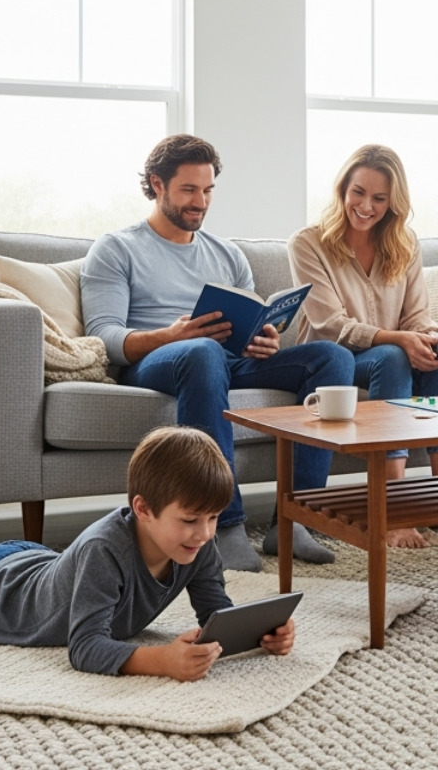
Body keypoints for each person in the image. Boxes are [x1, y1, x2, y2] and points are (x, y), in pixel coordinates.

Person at [0, 404, 296, 681]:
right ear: (143, 508)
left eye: (214, 518)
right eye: (192, 519)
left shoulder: (198, 545)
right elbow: (85, 648)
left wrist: (259, 634)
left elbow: (215, 613)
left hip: (32, 567)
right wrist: (162, 661)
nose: (206, 533)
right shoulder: (105, 551)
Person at [81, 134, 354, 570]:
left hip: (222, 360)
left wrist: (264, 341)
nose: (201, 202)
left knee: (334, 358)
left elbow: (246, 324)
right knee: (203, 351)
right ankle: (224, 526)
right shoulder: (116, 248)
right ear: (157, 185)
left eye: (208, 190)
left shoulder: (227, 255)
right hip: (158, 361)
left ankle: (294, 519)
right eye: (189, 190)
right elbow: (105, 336)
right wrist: (171, 335)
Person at [288, 144, 438, 548]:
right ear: (343, 188)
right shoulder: (308, 243)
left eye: (379, 198)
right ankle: (391, 508)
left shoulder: (404, 242)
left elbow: (416, 315)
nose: (366, 205)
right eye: (358, 192)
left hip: (390, 348)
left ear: (394, 203)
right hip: (335, 359)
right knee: (394, 358)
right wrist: (399, 339)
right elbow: (330, 324)